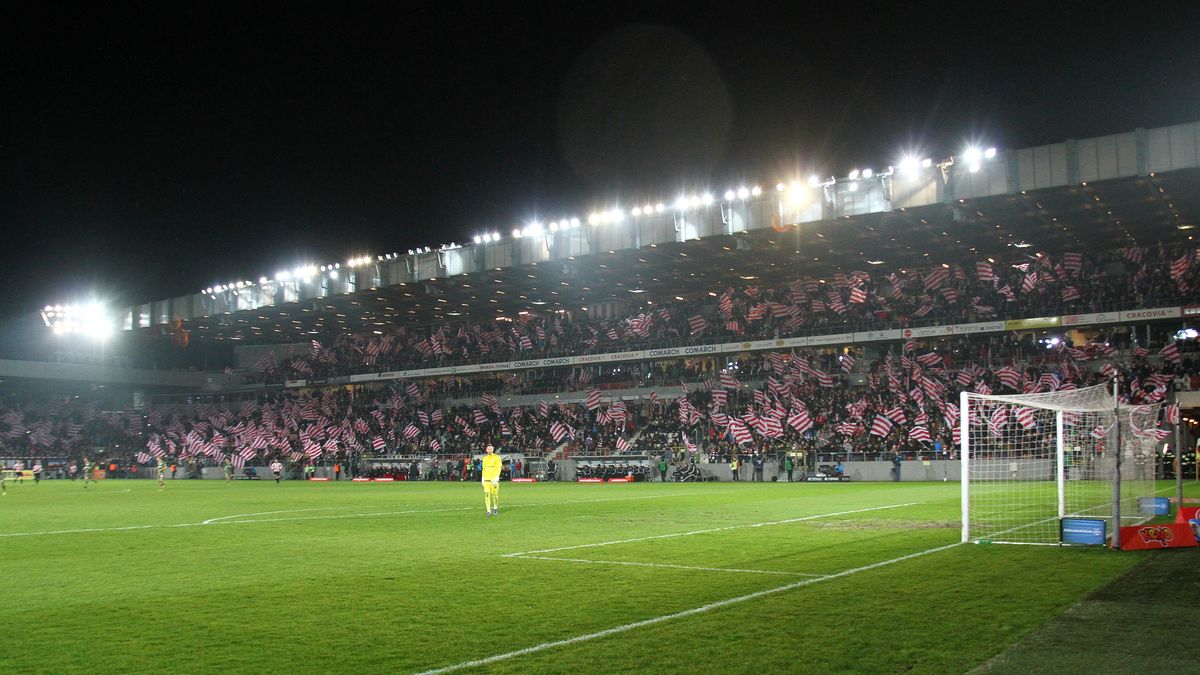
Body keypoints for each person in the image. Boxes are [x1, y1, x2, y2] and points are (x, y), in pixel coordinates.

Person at [481, 444, 503, 516]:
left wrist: (496, 477)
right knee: (487, 494)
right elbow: (484, 469)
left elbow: (499, 467)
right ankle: (488, 510)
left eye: (491, 449)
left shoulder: (497, 457)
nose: (490, 450)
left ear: (493, 449)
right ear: (486, 450)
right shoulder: (484, 458)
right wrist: (483, 478)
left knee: (495, 495)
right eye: (488, 449)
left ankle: (495, 507)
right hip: (486, 480)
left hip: (494, 480)